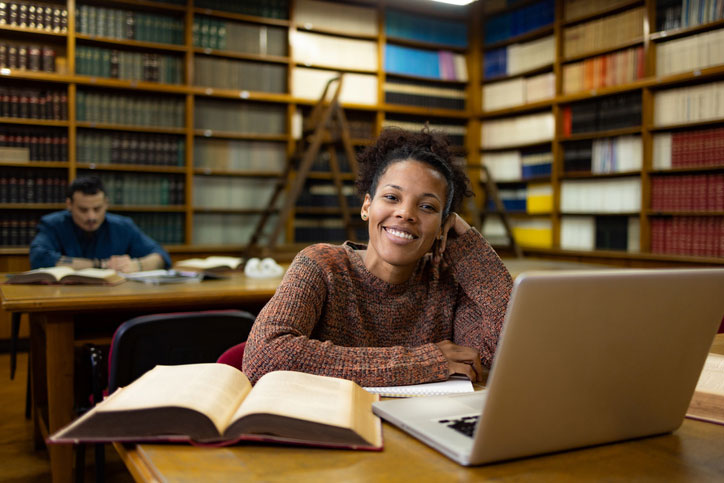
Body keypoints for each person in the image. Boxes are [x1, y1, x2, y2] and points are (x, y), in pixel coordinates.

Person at [242, 127, 513, 387]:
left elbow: (500, 354)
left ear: (443, 226)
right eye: (392, 197)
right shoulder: (321, 265)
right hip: (333, 427)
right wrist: (423, 362)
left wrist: (469, 246)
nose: (405, 213)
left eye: (427, 206)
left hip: (415, 427)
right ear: (367, 206)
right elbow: (264, 357)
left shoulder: (446, 284)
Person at [29, 175, 171, 272]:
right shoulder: (53, 224)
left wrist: (137, 265)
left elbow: (160, 256)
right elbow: (39, 257)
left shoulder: (122, 226)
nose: (91, 216)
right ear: (69, 205)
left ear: (106, 204)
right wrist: (101, 265)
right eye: (83, 210)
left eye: (97, 209)